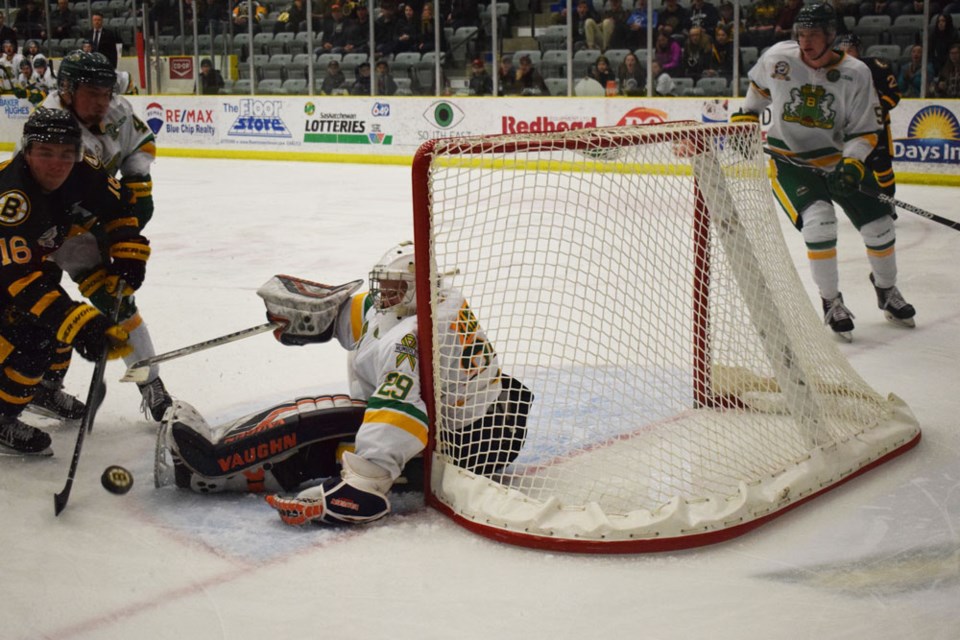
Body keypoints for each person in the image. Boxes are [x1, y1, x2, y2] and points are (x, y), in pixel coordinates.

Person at [155, 243, 532, 528]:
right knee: (335, 425)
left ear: (416, 289)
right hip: (492, 418)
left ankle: (210, 467)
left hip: (466, 447)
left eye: (393, 288)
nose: (384, 295)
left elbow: (399, 413)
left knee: (325, 428)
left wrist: (364, 484)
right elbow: (367, 314)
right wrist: (315, 320)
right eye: (383, 285)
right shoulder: (435, 297)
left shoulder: (409, 340)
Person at [732, 3, 915, 340]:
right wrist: (746, 116)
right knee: (819, 221)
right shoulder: (778, 57)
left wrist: (852, 162)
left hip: (838, 160)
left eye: (813, 34)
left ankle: (887, 290)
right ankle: (831, 301)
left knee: (880, 225)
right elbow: (758, 90)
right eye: (801, 34)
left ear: (831, 36)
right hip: (791, 162)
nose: (805, 41)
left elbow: (864, 131)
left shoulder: (856, 73)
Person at [37, 51, 174, 421]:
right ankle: (29, 393)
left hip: (91, 219)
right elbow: (70, 197)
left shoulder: (114, 108)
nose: (102, 102)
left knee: (119, 303)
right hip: (45, 231)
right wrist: (118, 235)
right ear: (66, 91)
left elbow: (139, 144)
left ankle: (151, 385)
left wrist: (138, 181)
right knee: (41, 314)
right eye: (92, 93)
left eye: (105, 92)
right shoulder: (53, 128)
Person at [0, 108, 144, 454]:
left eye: (67, 153)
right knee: (33, 339)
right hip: (7, 276)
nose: (57, 164)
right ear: (27, 150)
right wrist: (81, 324)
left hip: (30, 265)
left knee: (56, 323)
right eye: (45, 153)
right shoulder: (11, 199)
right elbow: (17, 279)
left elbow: (119, 206)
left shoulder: (83, 169)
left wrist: (127, 252)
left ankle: (43, 390)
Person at [835, 32, 901, 196]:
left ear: (859, 50)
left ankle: (889, 203)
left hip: (876, 127)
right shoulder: (834, 71)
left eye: (850, 49)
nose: (846, 53)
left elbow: (893, 94)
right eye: (842, 49)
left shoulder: (875, 67)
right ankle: (872, 207)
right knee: (859, 166)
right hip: (850, 128)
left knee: (882, 166)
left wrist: (874, 111)